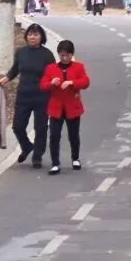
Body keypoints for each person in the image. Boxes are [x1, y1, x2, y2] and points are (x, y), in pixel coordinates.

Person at [5, 23, 55, 168]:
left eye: (36, 34)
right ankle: (27, 146)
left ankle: (37, 156)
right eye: (30, 34)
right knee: (17, 126)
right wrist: (5, 79)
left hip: (42, 96)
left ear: (41, 37)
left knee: (40, 127)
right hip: (23, 95)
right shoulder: (20, 52)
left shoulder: (47, 55)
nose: (32, 37)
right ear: (26, 36)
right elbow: (14, 70)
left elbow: (53, 74)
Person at [40, 39, 91, 174]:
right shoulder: (51, 68)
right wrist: (52, 83)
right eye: (62, 55)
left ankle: (75, 158)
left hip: (72, 107)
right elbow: (43, 85)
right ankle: (55, 162)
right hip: (56, 107)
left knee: (73, 135)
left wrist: (72, 83)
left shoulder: (78, 67)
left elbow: (85, 82)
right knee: (54, 135)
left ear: (72, 54)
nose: (64, 58)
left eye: (67, 55)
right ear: (59, 54)